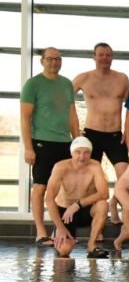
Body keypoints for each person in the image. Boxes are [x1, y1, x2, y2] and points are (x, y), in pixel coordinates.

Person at [21, 47, 80, 246]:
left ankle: (59, 230)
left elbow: (72, 114)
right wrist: (28, 147)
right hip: (42, 142)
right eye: (50, 59)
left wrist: (77, 141)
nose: (54, 62)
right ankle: (41, 232)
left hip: (64, 143)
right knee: (41, 186)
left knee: (63, 189)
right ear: (42, 61)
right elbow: (25, 118)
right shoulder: (33, 84)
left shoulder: (66, 84)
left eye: (57, 59)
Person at [73, 42, 129, 224]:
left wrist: (128, 132)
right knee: (91, 179)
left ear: (112, 57)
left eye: (108, 55)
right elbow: (64, 101)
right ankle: (95, 218)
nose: (104, 58)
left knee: (125, 174)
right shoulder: (83, 78)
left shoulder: (122, 79)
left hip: (115, 135)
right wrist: (74, 130)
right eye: (101, 55)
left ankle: (114, 202)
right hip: (91, 135)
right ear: (94, 57)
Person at [45, 137, 109, 258]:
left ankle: (91, 245)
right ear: (71, 153)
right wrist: (60, 227)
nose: (82, 156)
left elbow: (104, 194)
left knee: (103, 204)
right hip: (65, 214)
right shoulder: (60, 167)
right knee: (64, 251)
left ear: (90, 153)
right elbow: (49, 199)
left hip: (85, 209)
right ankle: (58, 232)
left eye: (86, 152)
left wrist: (77, 205)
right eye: (78, 152)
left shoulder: (95, 166)